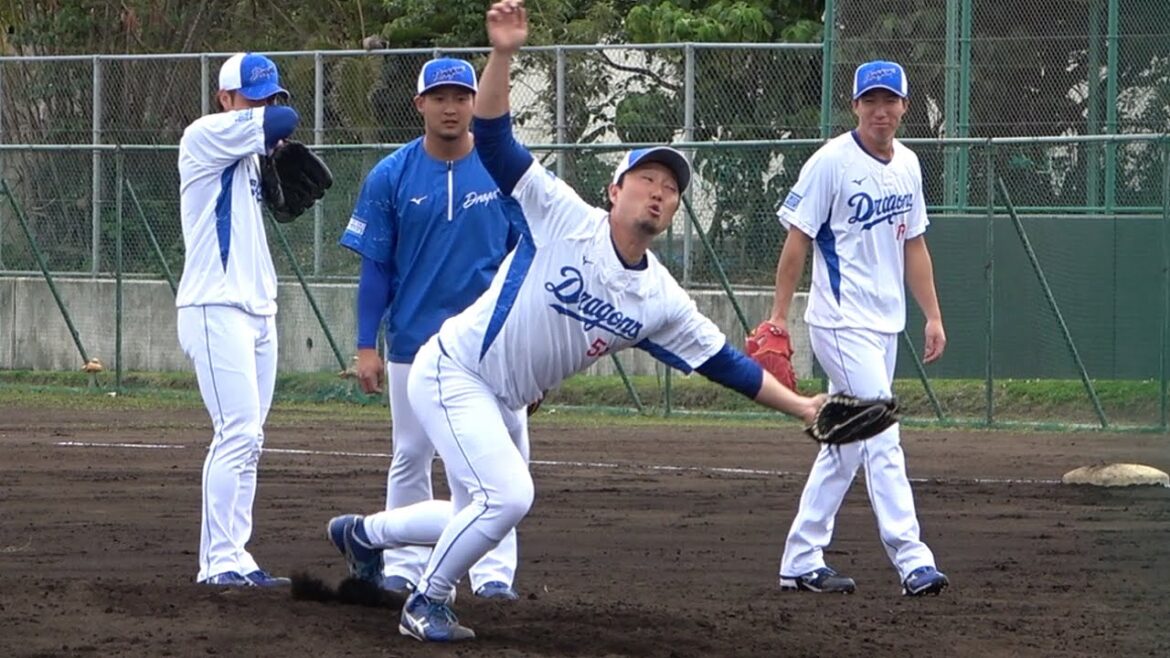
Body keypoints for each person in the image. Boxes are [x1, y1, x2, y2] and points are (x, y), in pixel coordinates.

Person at [325, 0, 833, 642]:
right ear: (613, 191)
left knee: (478, 505)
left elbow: (726, 364)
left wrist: (804, 409)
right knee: (507, 497)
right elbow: (496, 140)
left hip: (504, 394)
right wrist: (504, 55)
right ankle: (427, 599)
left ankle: (363, 534)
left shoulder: (662, 301)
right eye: (645, 178)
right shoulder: (561, 215)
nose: (658, 190)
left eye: (670, 187)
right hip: (452, 369)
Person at [338, 57, 526, 600]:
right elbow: (376, 267)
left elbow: (525, 263)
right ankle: (403, 563)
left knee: (503, 461)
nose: (452, 107)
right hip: (415, 343)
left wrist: (528, 354)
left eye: (462, 97)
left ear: (475, 103)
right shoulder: (390, 175)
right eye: (440, 97)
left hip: (493, 346)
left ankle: (493, 575)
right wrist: (365, 345)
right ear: (419, 104)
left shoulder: (501, 171)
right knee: (411, 454)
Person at [766, 60, 949, 597]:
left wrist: (933, 314)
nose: (880, 110)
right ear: (855, 107)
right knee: (883, 431)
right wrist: (780, 315)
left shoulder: (909, 166)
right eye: (870, 100)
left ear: (904, 107)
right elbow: (797, 241)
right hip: (840, 322)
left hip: (885, 323)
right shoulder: (831, 163)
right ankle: (913, 559)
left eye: (889, 100)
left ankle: (800, 559)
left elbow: (912, 244)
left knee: (846, 446)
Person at [175, 52, 300, 587]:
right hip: (214, 305)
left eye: (271, 94)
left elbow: (275, 128)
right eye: (255, 96)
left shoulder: (248, 157)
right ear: (225, 99)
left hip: (256, 308)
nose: (266, 105)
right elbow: (285, 122)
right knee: (236, 432)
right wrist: (271, 125)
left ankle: (237, 554)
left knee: (252, 439)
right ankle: (217, 562)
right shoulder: (205, 135)